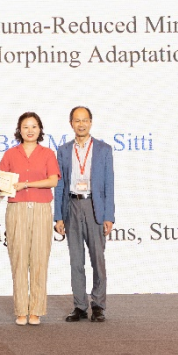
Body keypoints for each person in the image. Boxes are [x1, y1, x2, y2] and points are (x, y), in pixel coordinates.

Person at [0, 112, 60, 326]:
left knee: (40, 260)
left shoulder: (48, 153)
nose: (30, 130)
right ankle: (21, 310)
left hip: (41, 209)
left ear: (40, 129)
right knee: (19, 259)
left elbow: (53, 181)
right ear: (19, 130)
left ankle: (36, 310)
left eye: (34, 126)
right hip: (17, 209)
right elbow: (1, 180)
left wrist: (26, 184)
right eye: (26, 127)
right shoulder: (10, 154)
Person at [54, 106, 114, 323]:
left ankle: (98, 305)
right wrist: (58, 216)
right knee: (76, 261)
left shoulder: (103, 149)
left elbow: (109, 184)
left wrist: (109, 216)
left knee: (98, 259)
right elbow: (59, 185)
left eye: (85, 120)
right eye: (77, 120)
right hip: (71, 205)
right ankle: (79, 306)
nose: (81, 124)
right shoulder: (63, 150)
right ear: (71, 123)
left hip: (94, 207)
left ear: (91, 122)